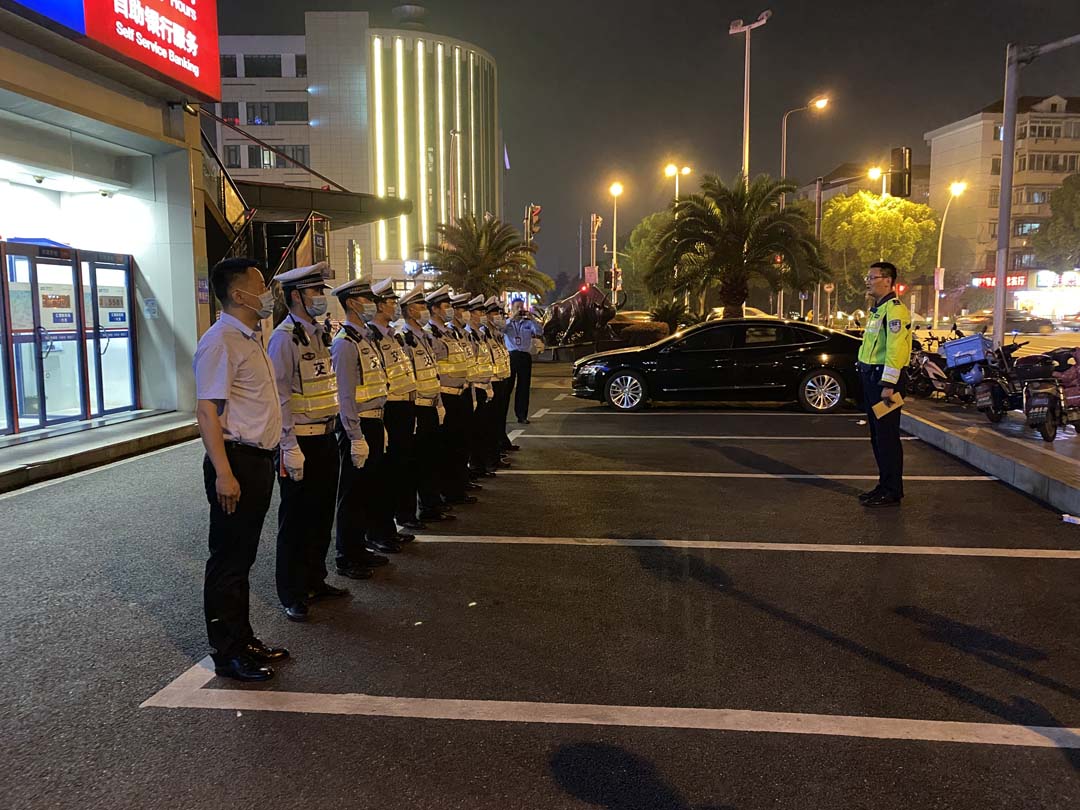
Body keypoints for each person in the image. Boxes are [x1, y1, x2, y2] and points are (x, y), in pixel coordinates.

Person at [193, 257, 288, 682]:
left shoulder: (248, 338)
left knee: (243, 557)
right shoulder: (220, 341)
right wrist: (224, 473)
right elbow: (207, 412)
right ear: (238, 294)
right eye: (261, 284)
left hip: (258, 459)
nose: (267, 292)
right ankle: (228, 653)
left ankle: (243, 639)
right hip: (236, 461)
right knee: (229, 560)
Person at [267, 263, 349, 624]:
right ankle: (292, 592)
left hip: (326, 437)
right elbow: (280, 396)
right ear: (297, 296)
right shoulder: (283, 338)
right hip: (300, 441)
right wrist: (288, 446)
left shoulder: (318, 334)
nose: (321, 298)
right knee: (296, 521)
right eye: (315, 292)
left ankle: (315, 579)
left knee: (320, 515)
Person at [330, 279, 401, 581]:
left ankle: (360, 548)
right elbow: (344, 395)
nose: (372, 304)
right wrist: (355, 436)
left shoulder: (365, 339)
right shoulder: (345, 343)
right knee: (352, 493)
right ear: (352, 303)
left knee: (368, 489)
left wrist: (379, 424)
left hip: (373, 421)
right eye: (367, 299)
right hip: (357, 425)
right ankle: (346, 556)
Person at [368, 278, 425, 532]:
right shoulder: (372, 338)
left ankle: (400, 518)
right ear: (380, 306)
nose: (395, 306)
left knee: (404, 465)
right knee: (387, 471)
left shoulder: (393, 337)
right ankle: (382, 529)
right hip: (388, 409)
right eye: (391, 302)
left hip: (405, 407)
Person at [856, 261, 913, 508]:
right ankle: (884, 485)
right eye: (867, 277)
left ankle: (892, 490)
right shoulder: (878, 310)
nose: (868, 282)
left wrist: (888, 384)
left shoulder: (895, 311)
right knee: (878, 436)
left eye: (873, 277)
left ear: (888, 281)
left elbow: (895, 350)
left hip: (887, 385)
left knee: (887, 436)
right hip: (873, 381)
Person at [400, 283, 455, 523]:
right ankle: (410, 513)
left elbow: (434, 372)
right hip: (417, 407)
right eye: (420, 305)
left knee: (431, 459)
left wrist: (439, 403)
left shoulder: (424, 337)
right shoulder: (403, 338)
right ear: (410, 310)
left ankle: (431, 505)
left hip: (431, 404)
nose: (424, 309)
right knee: (415, 462)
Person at [425, 285, 476, 505]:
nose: (450, 310)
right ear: (435, 309)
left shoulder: (450, 333)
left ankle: (457, 490)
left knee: (459, 445)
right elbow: (431, 370)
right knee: (445, 449)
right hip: (444, 396)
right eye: (446, 306)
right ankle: (446, 492)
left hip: (459, 394)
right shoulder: (429, 335)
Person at [465, 294, 497, 477]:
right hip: (474, 387)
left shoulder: (481, 335)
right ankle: (475, 465)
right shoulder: (468, 335)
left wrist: (488, 385)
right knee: (474, 432)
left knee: (484, 430)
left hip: (484, 386)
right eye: (480, 312)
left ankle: (481, 464)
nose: (483, 315)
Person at [483, 297, 518, 456]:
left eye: (499, 313)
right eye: (495, 313)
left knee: (500, 415)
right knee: (491, 418)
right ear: (487, 315)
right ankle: (494, 449)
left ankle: (500, 443)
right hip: (492, 380)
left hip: (502, 378)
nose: (498, 316)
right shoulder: (483, 333)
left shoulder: (496, 333)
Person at [504, 299, 544, 424]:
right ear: (512, 308)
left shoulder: (528, 323)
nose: (520, 309)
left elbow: (539, 331)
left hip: (524, 356)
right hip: (511, 355)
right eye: (517, 307)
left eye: (521, 307)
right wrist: (512, 318)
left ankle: (522, 415)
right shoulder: (507, 322)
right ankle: (502, 414)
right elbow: (501, 330)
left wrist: (532, 319)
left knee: (524, 387)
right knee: (507, 387)